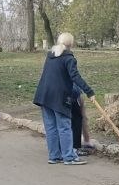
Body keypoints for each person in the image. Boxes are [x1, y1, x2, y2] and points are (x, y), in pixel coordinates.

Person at [32, 32, 94, 165]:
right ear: (71, 44)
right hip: (58, 97)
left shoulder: (51, 55)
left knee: (51, 127)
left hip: (44, 95)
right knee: (64, 127)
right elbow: (75, 77)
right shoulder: (69, 58)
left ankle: (54, 156)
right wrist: (89, 91)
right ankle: (69, 157)